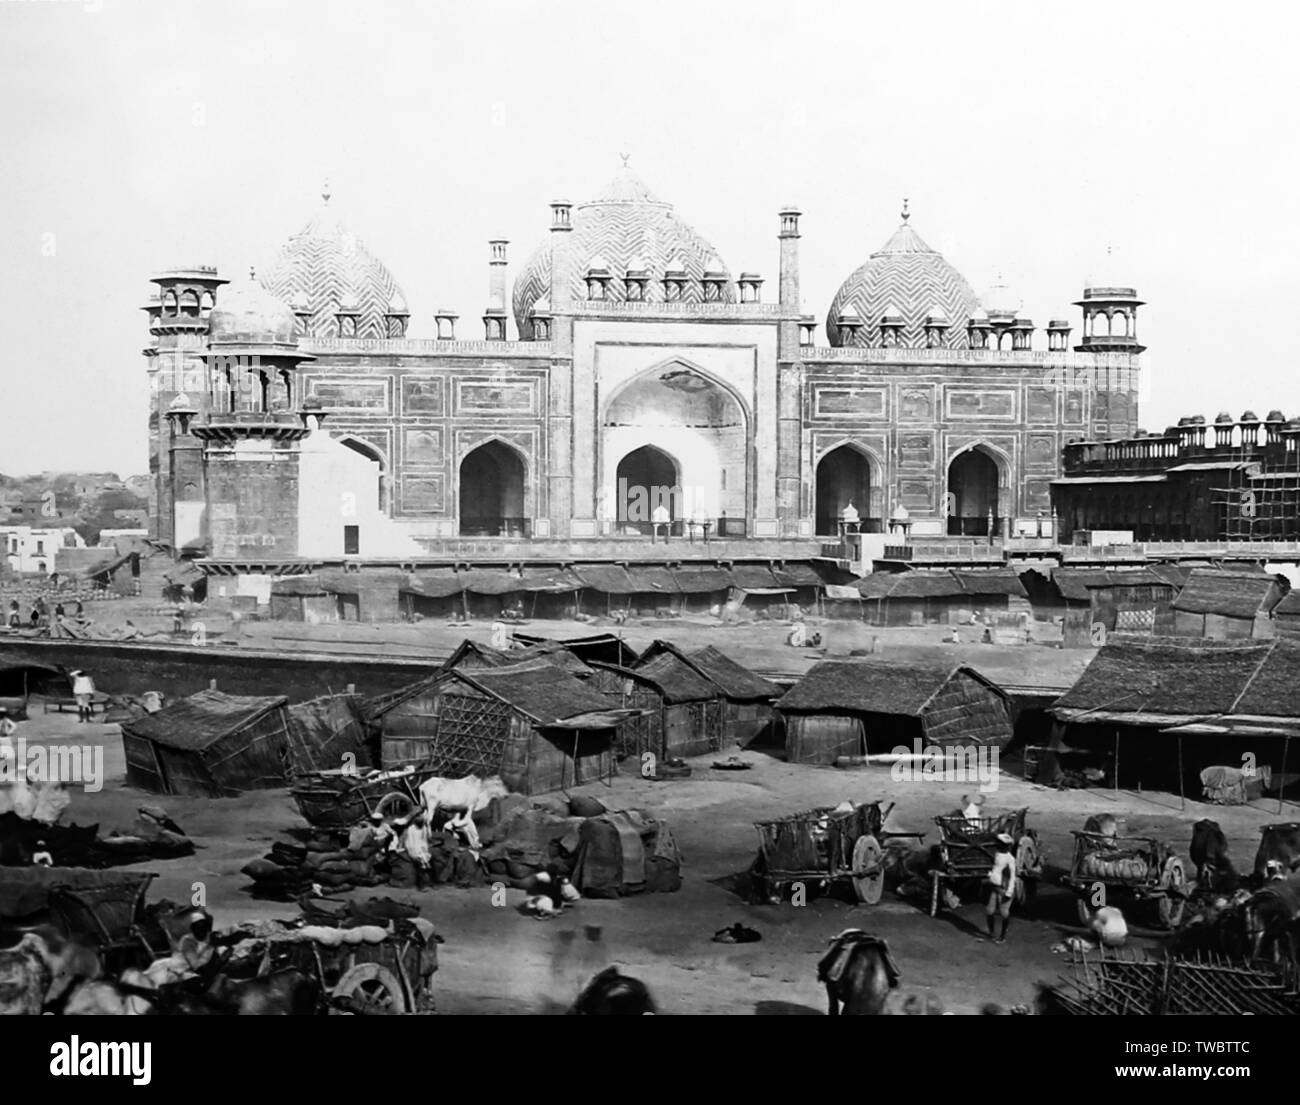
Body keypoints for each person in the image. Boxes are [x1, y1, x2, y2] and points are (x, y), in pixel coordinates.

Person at [985, 833, 1017, 944]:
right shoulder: (997, 854)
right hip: (995, 887)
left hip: (1004, 888)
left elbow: (1013, 876)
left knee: (1004, 912)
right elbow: (995, 868)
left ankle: (1002, 937)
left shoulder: (1010, 859)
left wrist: (1009, 891)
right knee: (989, 911)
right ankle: (992, 934)